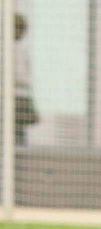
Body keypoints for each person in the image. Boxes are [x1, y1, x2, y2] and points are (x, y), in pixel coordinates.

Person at [14, 14, 38, 146]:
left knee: (16, 134)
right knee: (18, 135)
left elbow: (20, 76)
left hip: (16, 97)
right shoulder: (21, 50)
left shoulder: (16, 50)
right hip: (20, 97)